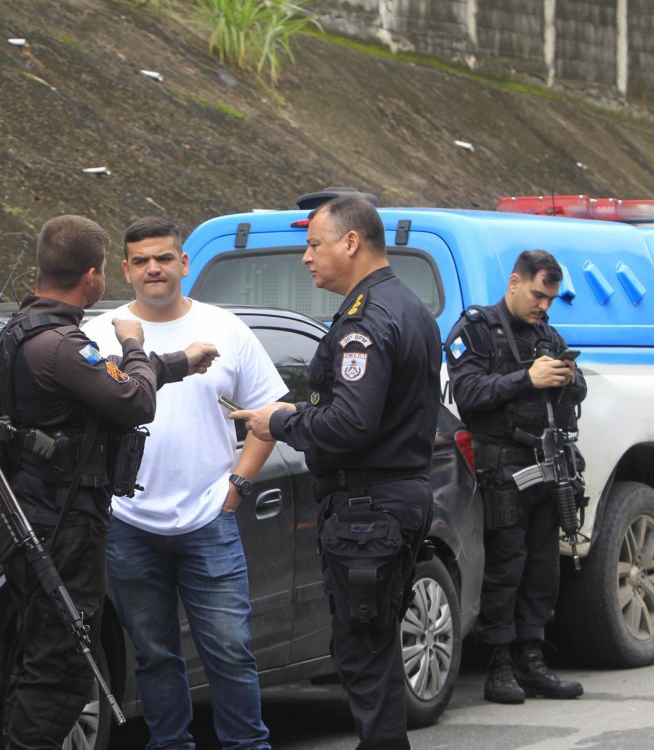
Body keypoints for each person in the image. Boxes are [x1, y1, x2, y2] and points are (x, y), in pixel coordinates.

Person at [0, 215, 218, 750]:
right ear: (92, 276)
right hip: (64, 528)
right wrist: (133, 341)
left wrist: (178, 362)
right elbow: (134, 398)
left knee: (37, 659)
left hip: (32, 521)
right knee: (62, 669)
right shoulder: (63, 343)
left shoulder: (18, 333)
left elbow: (103, 383)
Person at [230, 195, 441, 750]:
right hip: (392, 500)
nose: (305, 257)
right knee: (373, 649)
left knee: (363, 656)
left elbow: (350, 425)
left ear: (351, 242)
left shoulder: (365, 320)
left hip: (368, 510)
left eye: (313, 244)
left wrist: (281, 420)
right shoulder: (408, 305)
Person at [81, 216, 285, 750]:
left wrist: (237, 484)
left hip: (208, 518)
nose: (154, 268)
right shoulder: (99, 334)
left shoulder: (226, 328)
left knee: (230, 650)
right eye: (142, 261)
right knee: (153, 655)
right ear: (125, 269)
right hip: (128, 523)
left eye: (164, 258)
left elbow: (271, 412)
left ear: (184, 262)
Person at [444, 249, 586, 705]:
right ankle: (499, 663)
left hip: (548, 466)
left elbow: (580, 388)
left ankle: (532, 658)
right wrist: (528, 378)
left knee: (543, 570)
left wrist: (566, 376)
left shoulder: (547, 334)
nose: (544, 305)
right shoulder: (476, 329)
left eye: (551, 299)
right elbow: (468, 393)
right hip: (501, 467)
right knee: (506, 566)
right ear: (514, 282)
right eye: (538, 295)